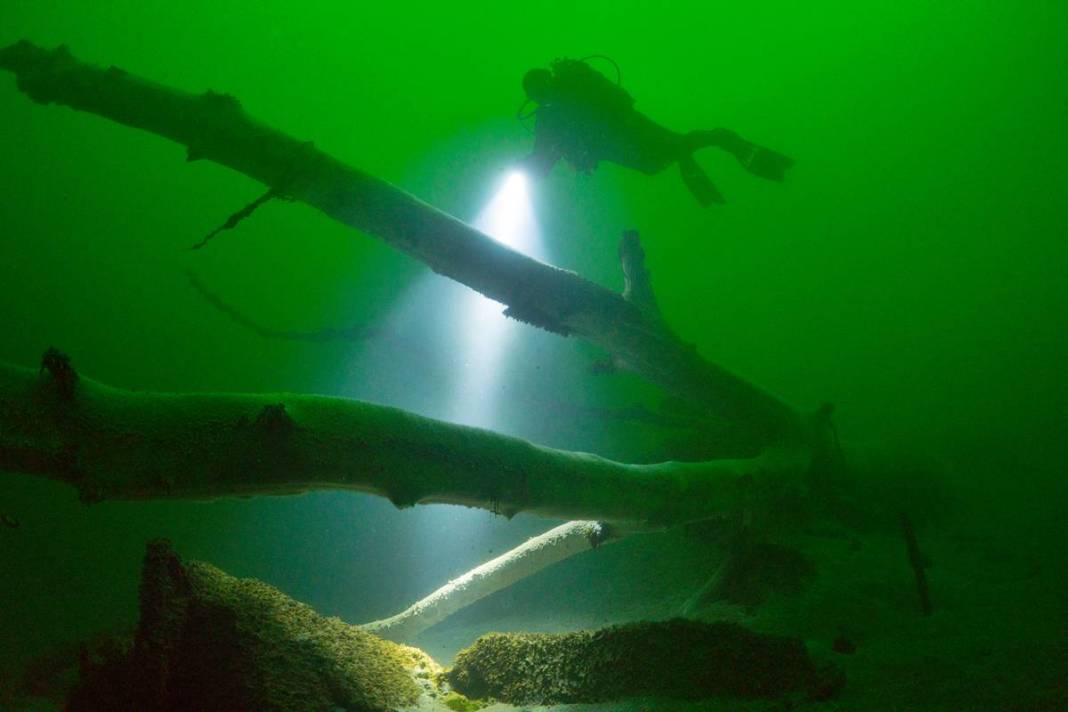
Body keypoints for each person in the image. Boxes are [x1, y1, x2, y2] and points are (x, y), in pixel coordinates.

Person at [520, 58, 794, 206]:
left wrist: (529, 168)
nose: (542, 98)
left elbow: (543, 154)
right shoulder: (552, 113)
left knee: (667, 152)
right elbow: (543, 154)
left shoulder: (566, 98)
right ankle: (704, 148)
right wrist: (528, 169)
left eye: (539, 92)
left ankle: (720, 140)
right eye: (537, 95)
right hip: (623, 134)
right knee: (661, 157)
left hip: (626, 130)